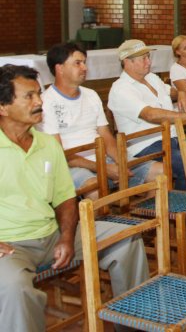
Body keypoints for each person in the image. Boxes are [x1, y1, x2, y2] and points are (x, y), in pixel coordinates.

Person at [0, 65, 149, 331]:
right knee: (14, 288)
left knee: (127, 238)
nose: (39, 102)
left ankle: (133, 324)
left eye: (39, 94)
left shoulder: (47, 145)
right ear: (3, 107)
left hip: (53, 233)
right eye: (29, 97)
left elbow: (66, 197)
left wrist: (67, 237)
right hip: (11, 244)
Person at [40, 42, 161, 197]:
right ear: (59, 68)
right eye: (78, 63)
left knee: (159, 172)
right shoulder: (46, 102)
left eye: (84, 62)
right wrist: (102, 168)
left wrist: (121, 162)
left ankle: (150, 220)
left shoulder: (91, 95)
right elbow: (58, 153)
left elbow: (105, 135)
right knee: (95, 188)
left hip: (103, 159)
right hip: (70, 165)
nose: (84, 68)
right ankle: (96, 221)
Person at [108, 39, 186, 191]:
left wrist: (180, 93)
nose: (148, 62)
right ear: (127, 62)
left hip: (173, 138)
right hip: (146, 146)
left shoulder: (151, 78)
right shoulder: (121, 89)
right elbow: (150, 114)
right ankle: (183, 209)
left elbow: (170, 91)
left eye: (148, 57)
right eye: (143, 58)